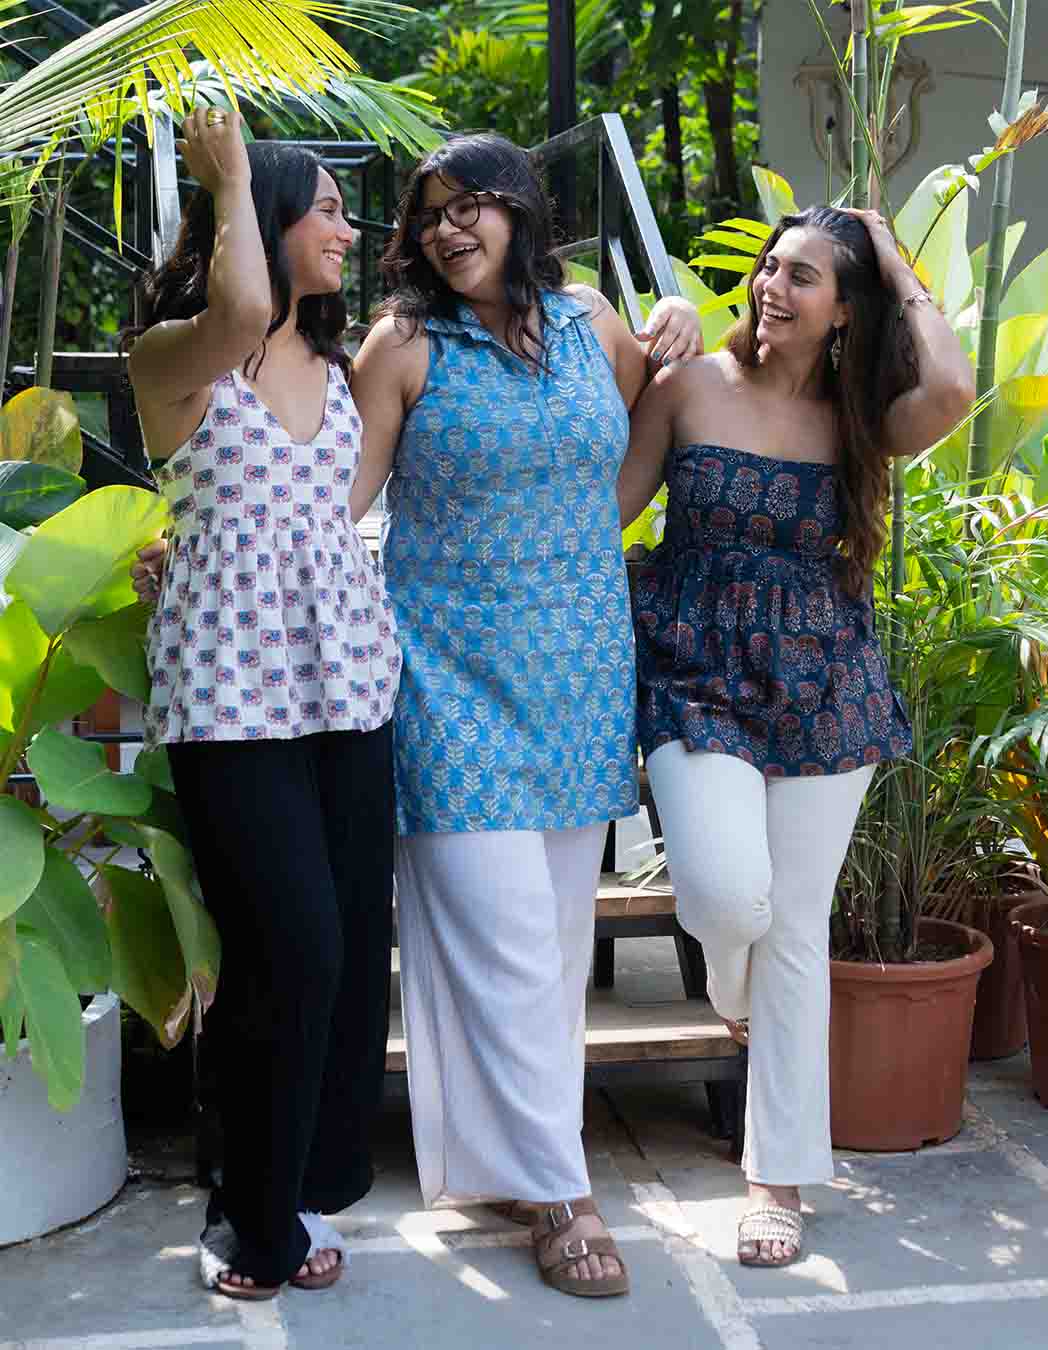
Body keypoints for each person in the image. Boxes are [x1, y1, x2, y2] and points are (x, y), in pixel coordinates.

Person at [347, 131, 702, 1298]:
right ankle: (565, 1196)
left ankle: (516, 1163)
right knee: (500, 942)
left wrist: (685, 326)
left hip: (578, 674)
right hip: (446, 679)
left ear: (521, 209)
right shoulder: (402, 345)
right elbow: (336, 503)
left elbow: (642, 441)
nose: (448, 230)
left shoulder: (594, 322)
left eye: (470, 206)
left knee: (550, 950)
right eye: (431, 214)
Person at [617, 205, 975, 1268]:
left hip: (827, 682)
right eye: (770, 267)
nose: (772, 286)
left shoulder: (859, 418)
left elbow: (953, 391)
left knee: (796, 928)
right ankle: (728, 989)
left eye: (802, 276)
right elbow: (604, 512)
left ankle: (775, 1177)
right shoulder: (689, 388)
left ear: (846, 310)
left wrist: (894, 259)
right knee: (728, 899)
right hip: (693, 669)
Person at [125, 108, 400, 1299]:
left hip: (347, 685)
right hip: (230, 697)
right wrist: (230, 173)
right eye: (326, 208)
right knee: (292, 945)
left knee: (346, 956)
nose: (349, 229)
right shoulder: (175, 354)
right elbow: (240, 310)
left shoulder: (338, 371)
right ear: (267, 214)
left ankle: (287, 1190)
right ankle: (250, 1216)